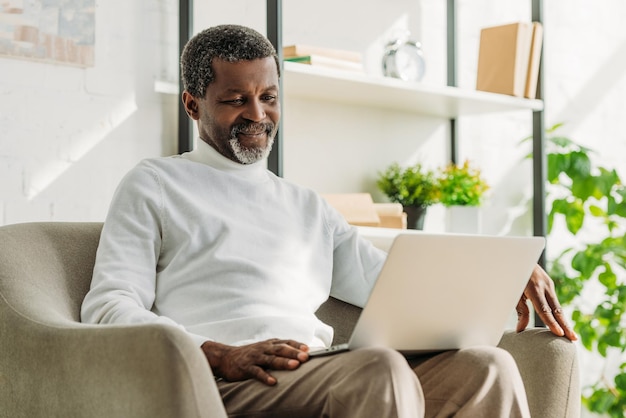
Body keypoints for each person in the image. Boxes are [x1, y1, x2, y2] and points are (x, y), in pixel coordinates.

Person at [81, 24, 577, 418]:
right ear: (193, 104)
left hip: (318, 369)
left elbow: (394, 285)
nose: (259, 114)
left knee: (486, 367)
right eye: (237, 100)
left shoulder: (306, 206)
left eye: (270, 97)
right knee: (377, 369)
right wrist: (216, 352)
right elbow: (107, 306)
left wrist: (500, 279)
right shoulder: (156, 184)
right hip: (227, 383)